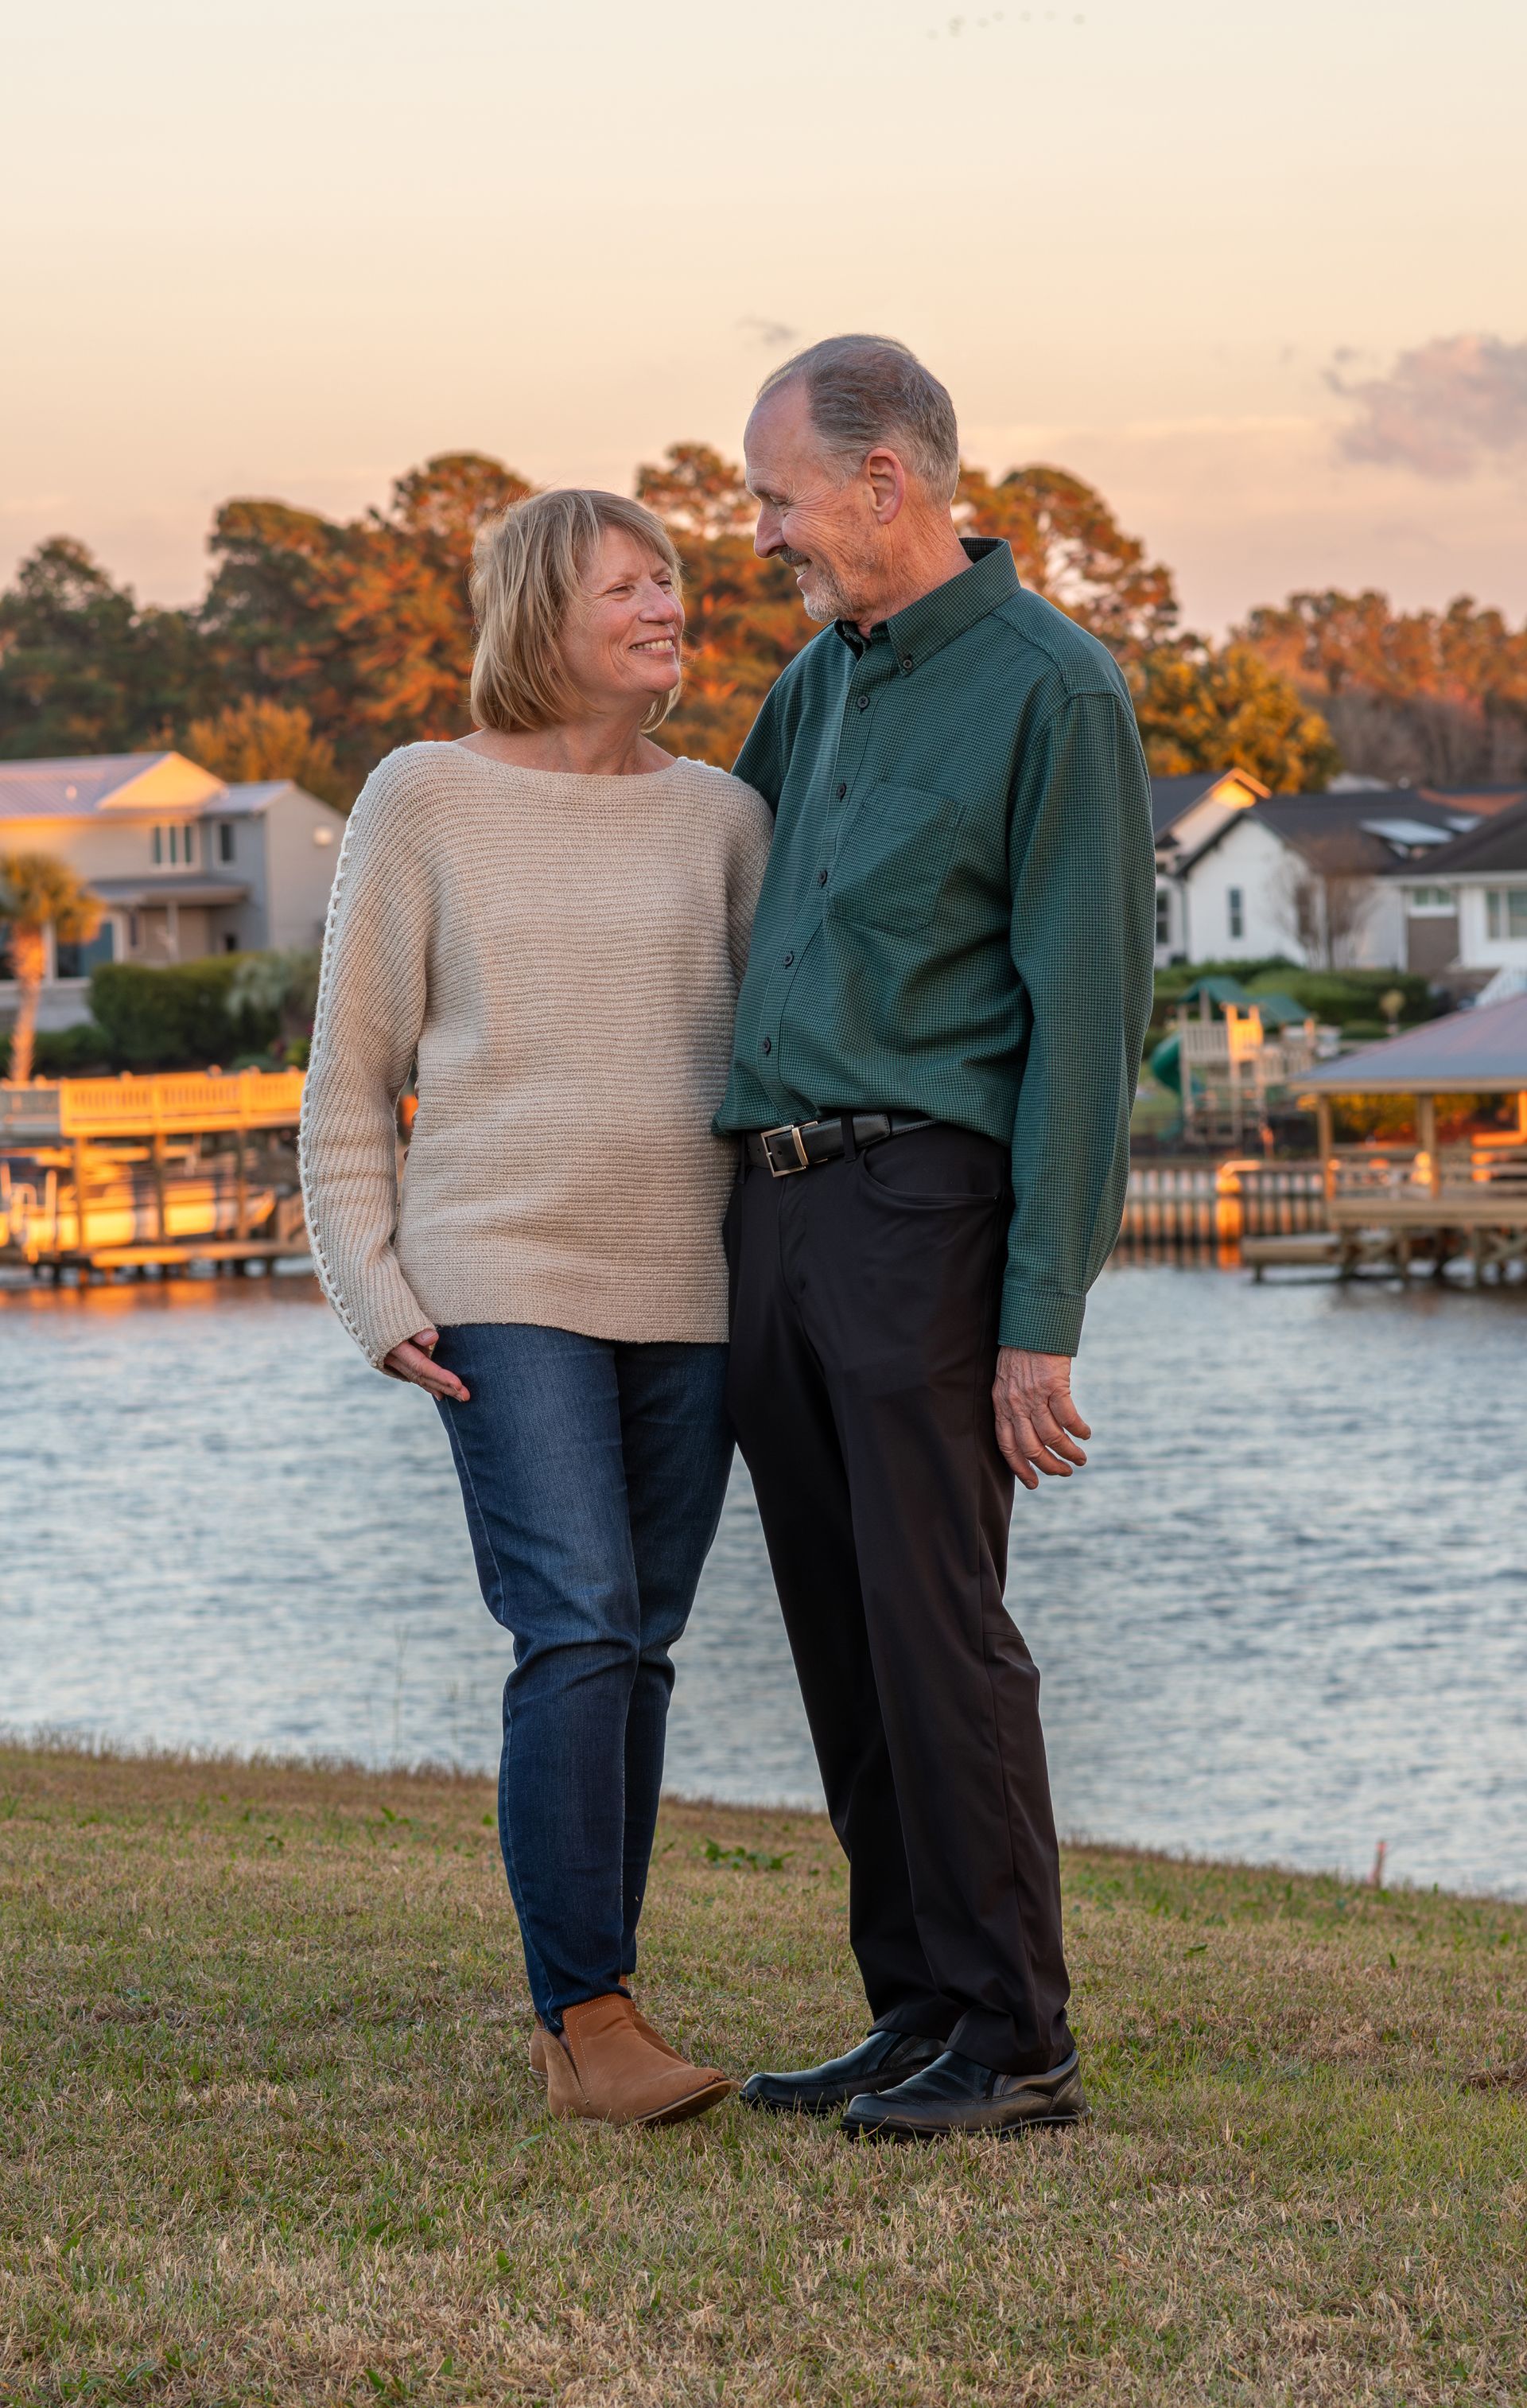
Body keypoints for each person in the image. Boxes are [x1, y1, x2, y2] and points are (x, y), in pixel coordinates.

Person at [717, 336, 1154, 2140]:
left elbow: (1088, 1017)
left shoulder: (1057, 692)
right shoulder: (817, 682)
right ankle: (913, 2006)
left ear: (886, 481)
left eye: (776, 497)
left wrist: (1040, 1309)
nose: (759, 537)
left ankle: (1015, 2030)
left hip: (926, 1212)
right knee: (840, 1628)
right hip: (780, 1212)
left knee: (937, 1623)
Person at [300, 488, 771, 2128]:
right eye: (628, 584)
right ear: (540, 612)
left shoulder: (723, 816)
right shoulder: (422, 796)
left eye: (675, 583)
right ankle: (590, 2010)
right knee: (572, 1616)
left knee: (635, 1641)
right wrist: (370, 1279)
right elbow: (350, 1069)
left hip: (694, 1284)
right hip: (499, 1275)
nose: (668, 605)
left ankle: (600, 1998)